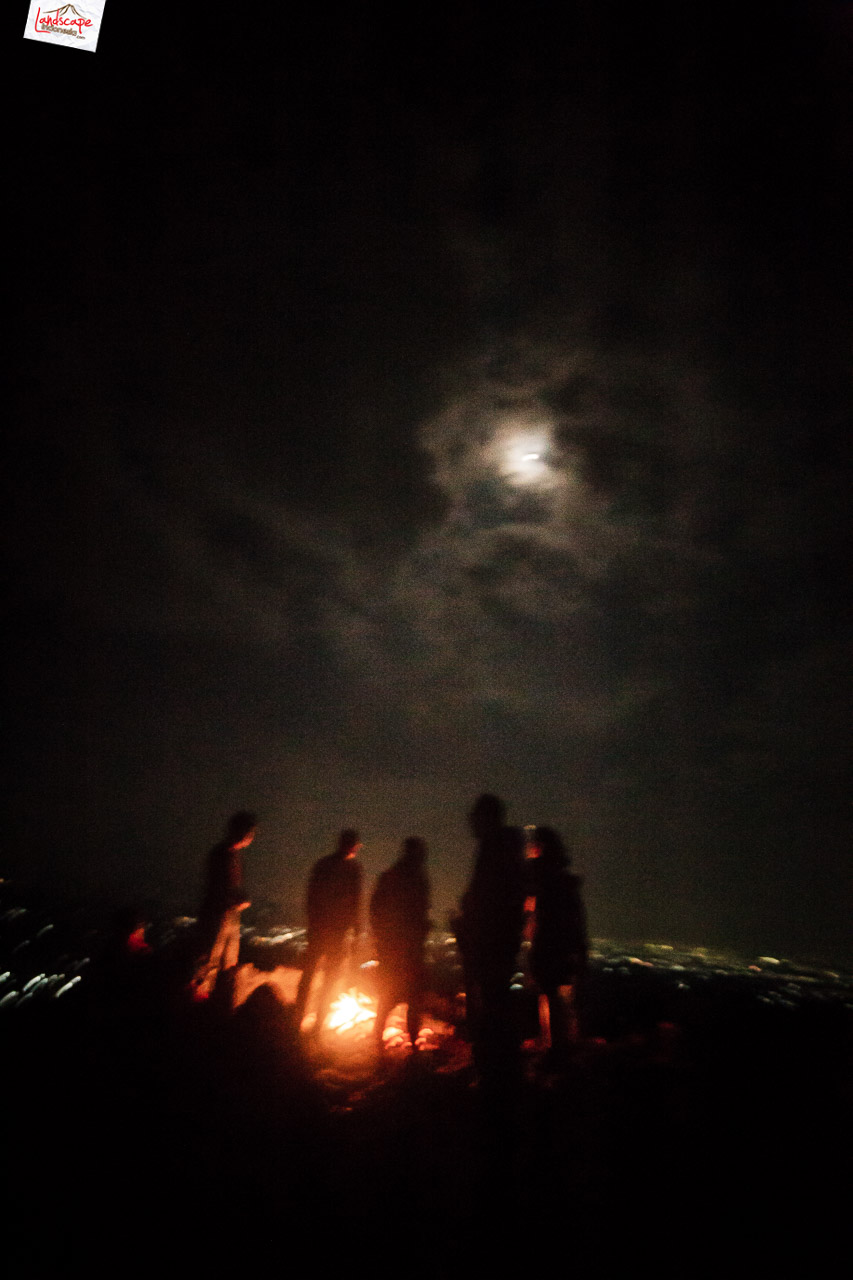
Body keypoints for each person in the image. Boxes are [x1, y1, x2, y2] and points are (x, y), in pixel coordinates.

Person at [455, 794, 526, 1077]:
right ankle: (501, 1064)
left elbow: (489, 898)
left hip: (492, 942)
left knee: (494, 1001)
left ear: (486, 818)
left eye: (475, 817)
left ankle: (498, 1068)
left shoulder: (494, 849)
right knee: (497, 999)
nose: (471, 823)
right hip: (500, 940)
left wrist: (468, 916)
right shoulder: (506, 849)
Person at [527, 825, 588, 1061]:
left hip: (549, 943)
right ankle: (558, 1045)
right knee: (554, 995)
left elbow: (540, 908)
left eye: (534, 845)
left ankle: (555, 1048)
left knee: (549, 994)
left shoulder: (546, 876)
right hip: (558, 944)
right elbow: (577, 919)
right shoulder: (562, 879)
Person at [293, 828, 363, 1033]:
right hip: (332, 931)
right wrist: (355, 928)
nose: (357, 848)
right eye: (356, 844)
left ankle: (301, 1020)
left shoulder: (326, 865)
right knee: (322, 977)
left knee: (313, 975)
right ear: (351, 845)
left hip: (325, 930)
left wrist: (314, 923)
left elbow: (312, 897)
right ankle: (311, 1023)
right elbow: (354, 901)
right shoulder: (351, 869)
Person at [370, 836, 431, 1053]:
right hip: (404, 948)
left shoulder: (391, 877)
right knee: (408, 995)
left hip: (395, 948)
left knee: (393, 995)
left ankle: (380, 1038)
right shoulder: (415, 879)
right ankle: (411, 1042)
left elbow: (375, 909)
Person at [195, 810, 256, 1006]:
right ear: (241, 831)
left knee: (228, 961)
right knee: (210, 960)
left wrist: (237, 900)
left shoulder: (232, 854)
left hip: (229, 915)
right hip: (217, 915)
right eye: (250, 832)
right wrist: (235, 900)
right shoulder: (222, 854)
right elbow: (217, 887)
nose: (251, 836)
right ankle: (199, 1002)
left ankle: (220, 1003)